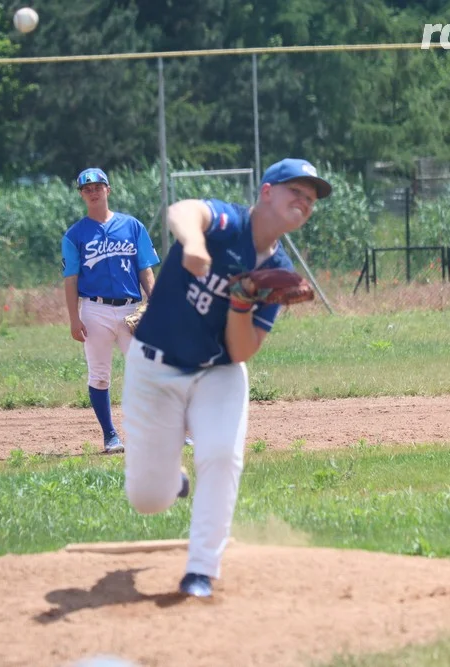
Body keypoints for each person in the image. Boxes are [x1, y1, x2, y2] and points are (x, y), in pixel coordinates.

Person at [120, 158, 332, 597]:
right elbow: (182, 210)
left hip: (218, 372)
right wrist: (195, 243)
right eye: (297, 190)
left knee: (220, 456)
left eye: (311, 199)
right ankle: (171, 481)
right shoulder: (227, 222)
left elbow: (241, 350)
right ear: (267, 191)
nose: (305, 201)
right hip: (154, 367)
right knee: (148, 499)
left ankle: (201, 569)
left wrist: (241, 303)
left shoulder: (278, 274)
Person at [62, 167, 160, 454]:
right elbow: (71, 279)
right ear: (81, 194)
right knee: (100, 375)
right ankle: (110, 436)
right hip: (95, 310)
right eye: (87, 188)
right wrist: (73, 318)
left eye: (98, 186)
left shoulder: (132, 226)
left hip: (132, 308)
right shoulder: (75, 235)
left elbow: (146, 268)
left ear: (108, 190)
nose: (93, 191)